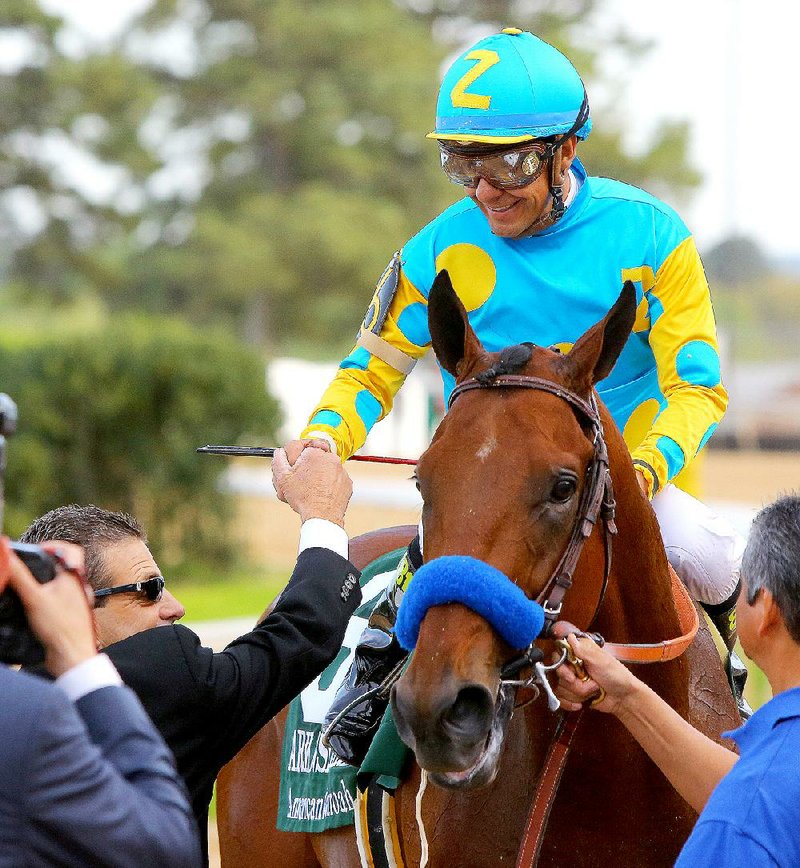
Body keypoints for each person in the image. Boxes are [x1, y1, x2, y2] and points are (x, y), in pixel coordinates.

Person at [292, 27, 747, 760]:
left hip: (629, 484)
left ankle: (734, 692)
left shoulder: (652, 235)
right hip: (491, 490)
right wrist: (322, 438)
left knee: (713, 552)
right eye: (462, 165)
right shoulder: (434, 249)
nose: (484, 191)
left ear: (567, 149)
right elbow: (371, 370)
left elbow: (697, 387)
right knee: (420, 579)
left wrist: (643, 469)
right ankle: (368, 716)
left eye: (507, 165)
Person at [22, 444, 362, 865]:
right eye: (148, 589)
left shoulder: (16, 705)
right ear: (72, 607)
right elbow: (299, 633)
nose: (175, 606)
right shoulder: (163, 677)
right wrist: (322, 513)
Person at [556, 493, 800, 866]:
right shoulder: (768, 785)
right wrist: (626, 697)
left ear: (766, 609)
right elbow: (750, 788)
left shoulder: (744, 815)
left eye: (742, 582)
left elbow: (751, 799)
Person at [0, 537, 201, 867]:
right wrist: (82, 661)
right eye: (150, 588)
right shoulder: (30, 717)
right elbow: (164, 849)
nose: (176, 607)